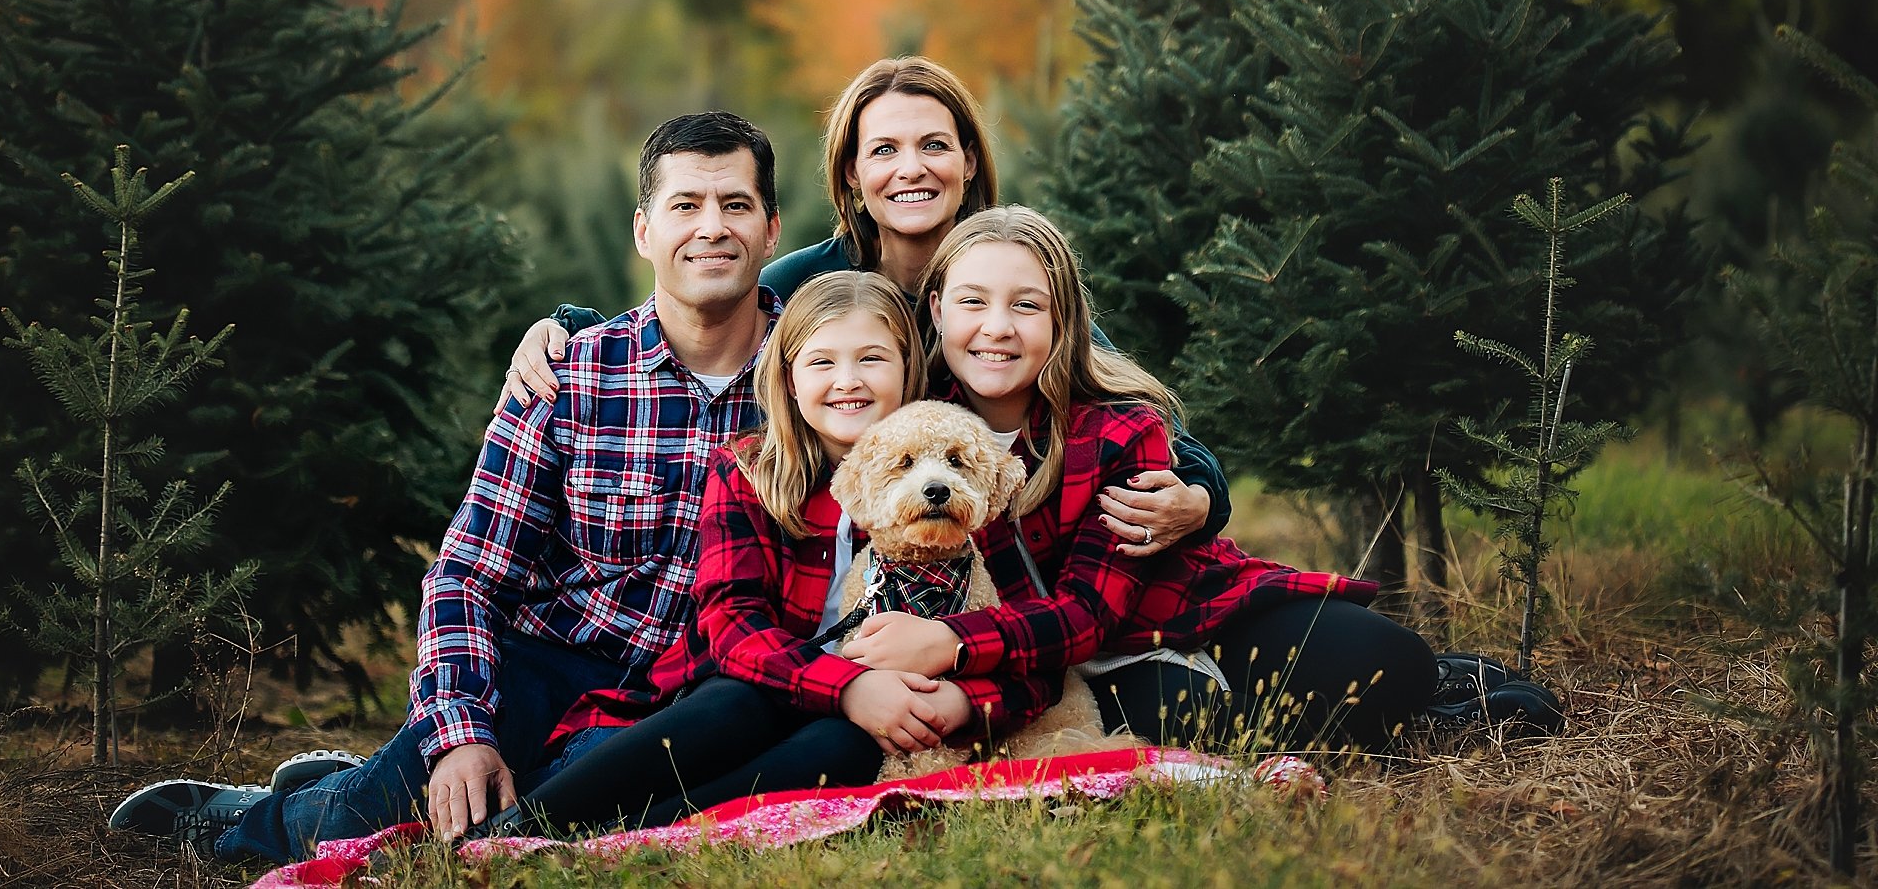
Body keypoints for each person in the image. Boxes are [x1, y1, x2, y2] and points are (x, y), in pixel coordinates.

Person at [105, 111, 787, 862]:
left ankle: (363, 779)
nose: (712, 227)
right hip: (550, 663)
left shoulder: (817, 378)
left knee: (554, 832)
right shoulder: (574, 375)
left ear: (772, 229)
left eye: (736, 205)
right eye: (685, 205)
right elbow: (468, 576)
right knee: (370, 819)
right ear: (643, 231)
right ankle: (254, 821)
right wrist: (461, 734)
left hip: (701, 691)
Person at [498, 56, 1230, 563]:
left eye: (935, 145)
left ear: (969, 161)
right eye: (884, 149)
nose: (911, 168)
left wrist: (1202, 497)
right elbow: (695, 316)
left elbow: (1118, 394)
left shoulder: (1006, 283)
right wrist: (567, 326)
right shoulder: (814, 282)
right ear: (853, 171)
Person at [475, 271, 1063, 834]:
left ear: (910, 371)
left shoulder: (953, 492)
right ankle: (520, 828)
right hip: (756, 689)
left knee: (845, 747)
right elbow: (731, 627)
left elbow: (1023, 652)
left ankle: (636, 835)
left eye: (873, 358)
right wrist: (847, 687)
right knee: (737, 702)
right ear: (787, 379)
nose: (848, 380)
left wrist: (958, 700)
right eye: (822, 362)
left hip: (864, 720)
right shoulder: (749, 472)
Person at [840, 207, 1440, 752]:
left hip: (1177, 611)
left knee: (1394, 663)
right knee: (1197, 723)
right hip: (1071, 663)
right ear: (938, 309)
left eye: (1026, 305)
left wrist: (953, 642)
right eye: (973, 302)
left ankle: (1456, 686)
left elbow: (1088, 612)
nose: (997, 328)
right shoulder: (913, 432)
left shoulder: (1118, 430)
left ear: (1062, 318)